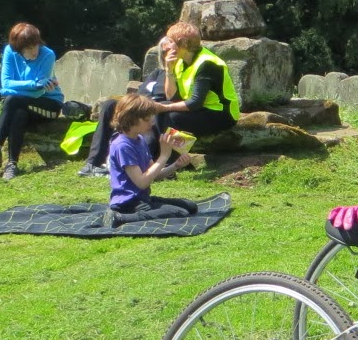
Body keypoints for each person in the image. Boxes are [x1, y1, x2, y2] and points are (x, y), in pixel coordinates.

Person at [0, 23, 64, 180]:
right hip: (23, 104)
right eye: (29, 48)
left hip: (49, 104)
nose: (34, 51)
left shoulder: (48, 55)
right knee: (18, 113)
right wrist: (33, 84)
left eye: (36, 45)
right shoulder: (10, 51)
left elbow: (39, 92)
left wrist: (1, 92)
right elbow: (7, 83)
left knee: (12, 100)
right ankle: (12, 164)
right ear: (18, 49)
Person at [77, 36, 177, 177]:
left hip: (159, 109)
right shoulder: (157, 73)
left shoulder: (180, 74)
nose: (169, 55)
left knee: (147, 114)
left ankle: (140, 165)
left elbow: (173, 97)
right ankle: (93, 163)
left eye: (172, 50)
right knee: (109, 105)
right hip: (140, 105)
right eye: (165, 51)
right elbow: (141, 93)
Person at [106, 93, 196, 220]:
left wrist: (176, 165)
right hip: (128, 203)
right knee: (181, 213)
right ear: (131, 119)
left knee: (191, 206)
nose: (152, 123)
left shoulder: (140, 139)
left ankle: (132, 214)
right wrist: (164, 156)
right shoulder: (123, 146)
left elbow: (155, 175)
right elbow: (142, 183)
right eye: (147, 119)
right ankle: (120, 218)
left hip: (143, 198)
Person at [154, 21, 239, 144]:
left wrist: (164, 108)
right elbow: (171, 97)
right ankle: (162, 151)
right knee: (161, 111)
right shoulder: (179, 61)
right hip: (200, 109)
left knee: (172, 117)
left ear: (183, 43)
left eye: (170, 41)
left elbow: (195, 102)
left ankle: (175, 153)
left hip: (222, 113)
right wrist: (169, 70)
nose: (166, 46)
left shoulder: (207, 64)